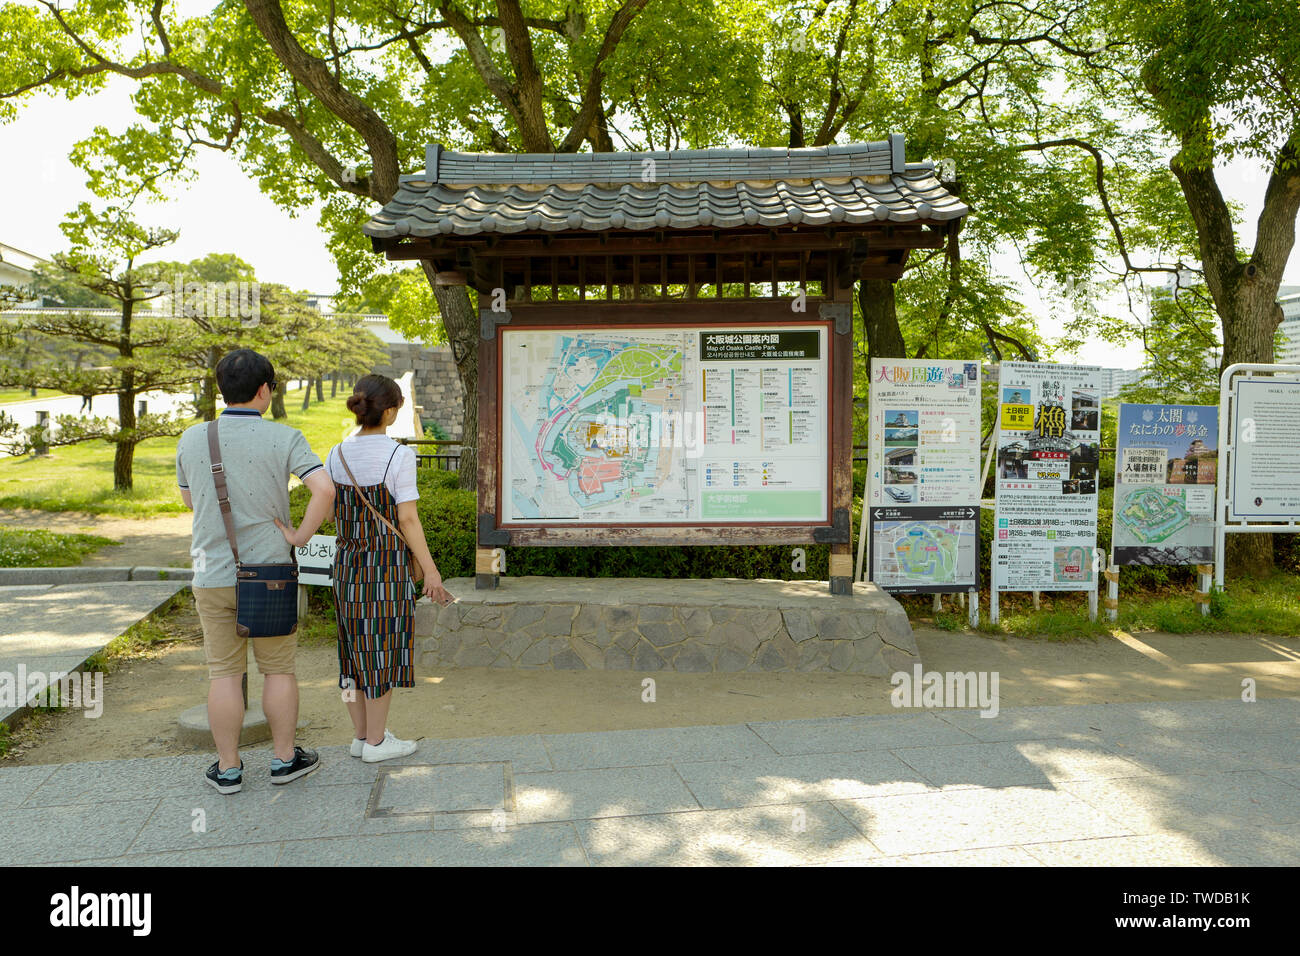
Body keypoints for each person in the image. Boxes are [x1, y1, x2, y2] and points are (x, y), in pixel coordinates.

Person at [177, 348, 335, 794]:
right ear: (264, 390)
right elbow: (324, 489)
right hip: (270, 573)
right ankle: (285, 760)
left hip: (212, 574)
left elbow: (191, 501)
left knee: (223, 673)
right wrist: (300, 536)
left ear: (222, 390)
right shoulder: (285, 438)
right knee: (279, 669)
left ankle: (228, 769)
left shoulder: (192, 439)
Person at [293, 373, 453, 763]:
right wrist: (430, 571)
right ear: (392, 410)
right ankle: (377, 744)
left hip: (346, 565)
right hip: (385, 568)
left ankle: (361, 735)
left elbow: (330, 512)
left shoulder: (336, 453)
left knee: (351, 653)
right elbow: (408, 521)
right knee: (380, 650)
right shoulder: (399, 455)